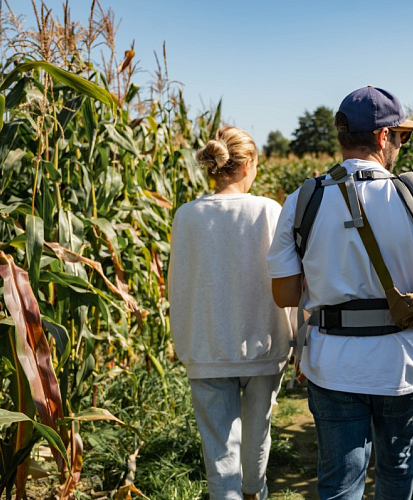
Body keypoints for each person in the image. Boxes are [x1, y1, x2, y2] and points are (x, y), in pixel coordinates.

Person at [267, 86, 413, 499]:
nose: (401, 144)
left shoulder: (303, 199)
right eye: (401, 136)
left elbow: (285, 294)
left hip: (333, 363)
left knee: (340, 482)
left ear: (341, 138)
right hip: (403, 365)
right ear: (382, 138)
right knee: (396, 470)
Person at [168, 126, 293, 500]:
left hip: (206, 344)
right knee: (258, 437)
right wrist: (298, 338)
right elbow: (288, 279)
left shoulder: (187, 216)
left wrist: (184, 341)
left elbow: (178, 282)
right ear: (247, 164)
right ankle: (255, 492)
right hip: (265, 341)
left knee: (220, 455)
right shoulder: (270, 211)